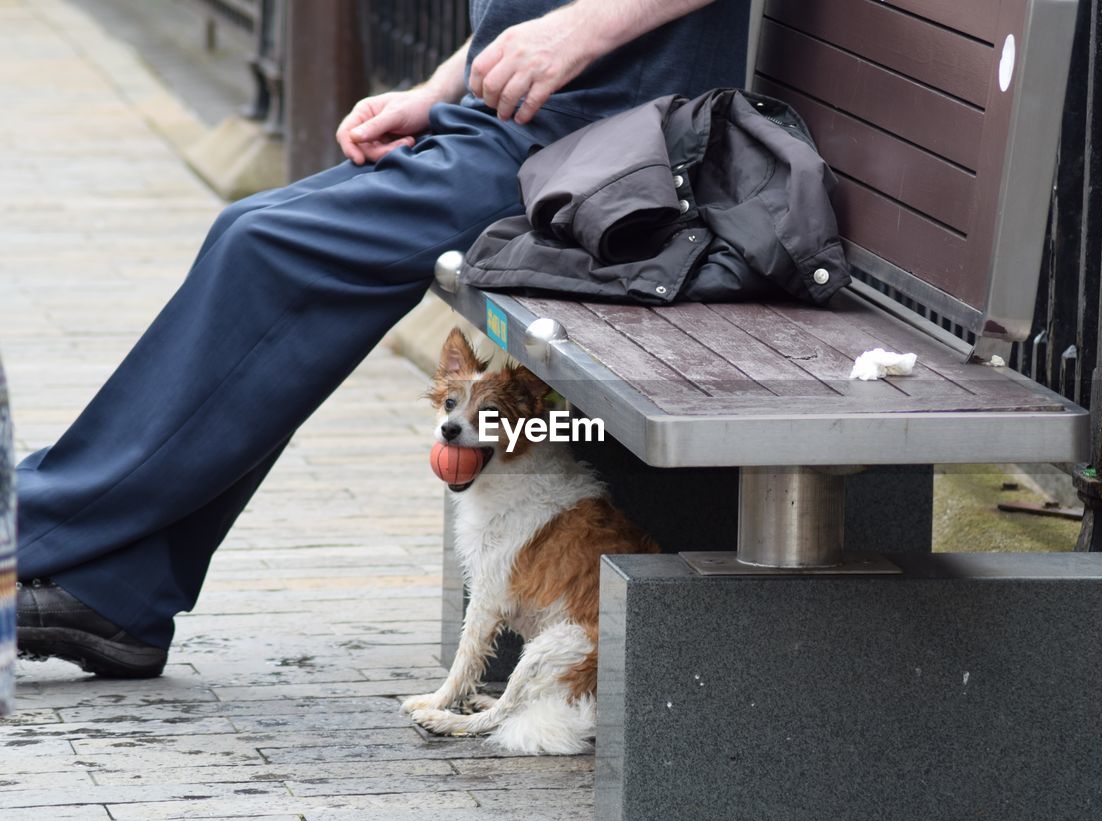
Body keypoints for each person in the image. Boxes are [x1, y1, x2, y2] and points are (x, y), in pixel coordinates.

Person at [15, 0, 751, 678]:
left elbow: (561, 26)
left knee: (270, 252)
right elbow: (526, 15)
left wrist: (581, 29)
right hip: (519, 131)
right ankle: (118, 591)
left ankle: (35, 531)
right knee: (246, 232)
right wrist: (436, 89)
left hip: (608, 159)